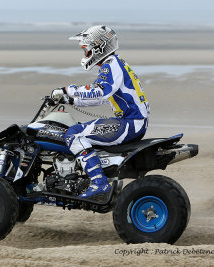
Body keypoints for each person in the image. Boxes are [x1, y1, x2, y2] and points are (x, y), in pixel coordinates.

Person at [51, 25, 150, 199]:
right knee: (82, 129)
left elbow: (100, 93)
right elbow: (99, 95)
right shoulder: (116, 63)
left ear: (99, 46)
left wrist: (68, 91)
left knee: (73, 134)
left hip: (130, 124)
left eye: (86, 48)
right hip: (133, 122)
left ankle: (98, 182)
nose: (85, 52)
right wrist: (69, 98)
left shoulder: (111, 65)